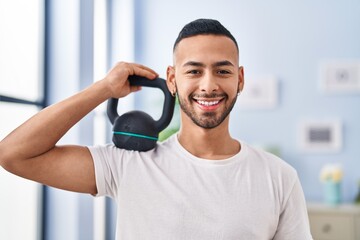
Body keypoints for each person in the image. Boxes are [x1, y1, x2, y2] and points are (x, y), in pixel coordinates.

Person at [0, 18, 312, 239]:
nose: (209, 85)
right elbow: (14, 154)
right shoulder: (128, 164)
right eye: (194, 71)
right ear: (172, 80)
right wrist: (102, 89)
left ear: (240, 79)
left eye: (222, 70)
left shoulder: (279, 177)